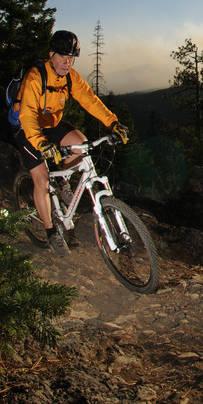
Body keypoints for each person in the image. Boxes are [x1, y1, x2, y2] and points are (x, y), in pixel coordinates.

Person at [15, 29, 129, 255]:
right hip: (26, 128)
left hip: (51, 124)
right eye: (63, 56)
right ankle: (50, 232)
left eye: (72, 57)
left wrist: (112, 123)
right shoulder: (36, 77)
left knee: (81, 144)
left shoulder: (70, 77)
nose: (67, 62)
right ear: (51, 55)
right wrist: (41, 144)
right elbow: (27, 114)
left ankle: (63, 182)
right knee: (41, 180)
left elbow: (90, 100)